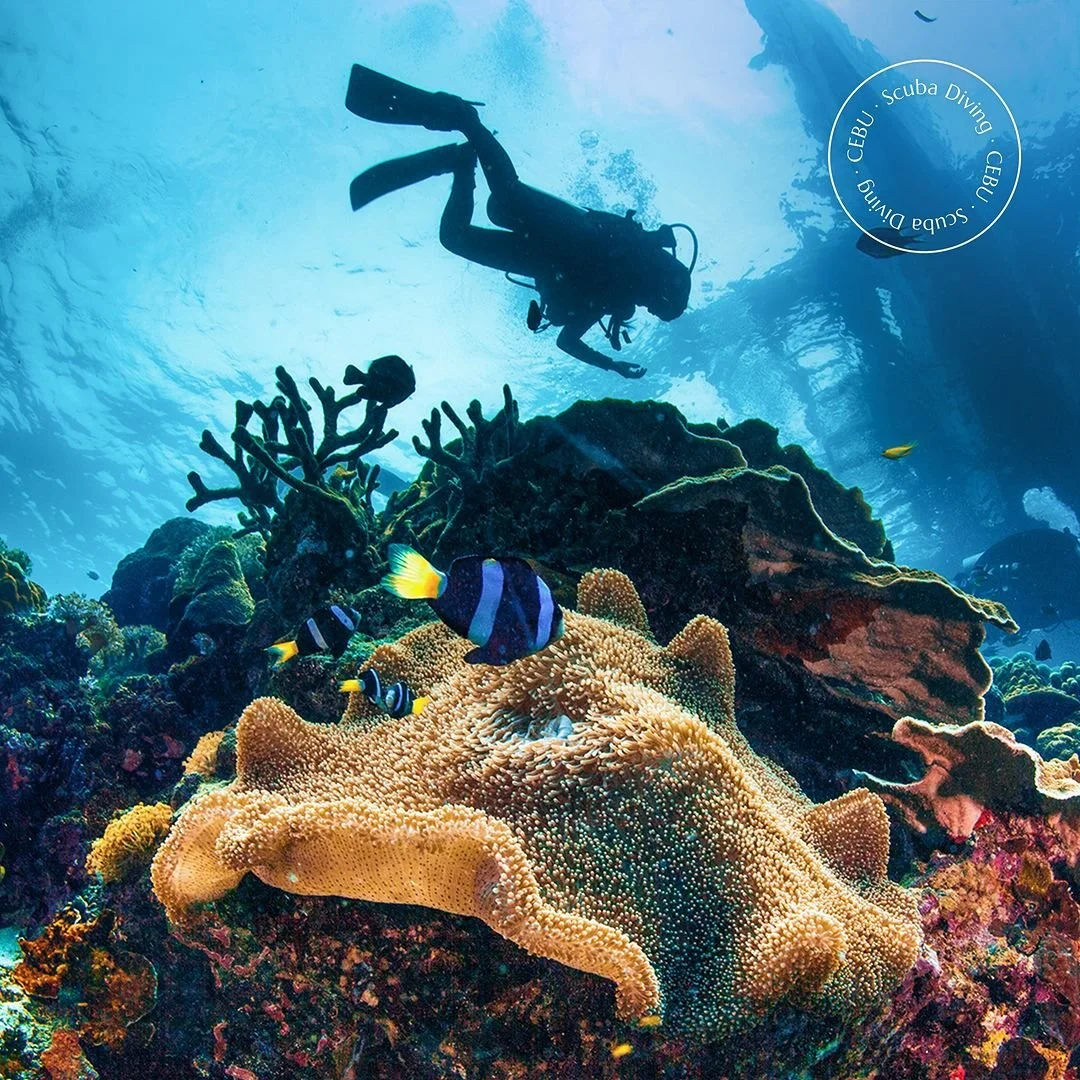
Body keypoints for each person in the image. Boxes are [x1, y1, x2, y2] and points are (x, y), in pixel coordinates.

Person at [345, 64, 696, 379]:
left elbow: (565, 342)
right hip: (574, 232)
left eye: (654, 310)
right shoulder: (634, 263)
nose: (647, 307)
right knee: (506, 196)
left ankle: (459, 163)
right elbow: (635, 243)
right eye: (657, 305)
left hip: (537, 259)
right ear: (662, 290)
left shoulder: (611, 297)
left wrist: (612, 365)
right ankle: (465, 118)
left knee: (454, 238)